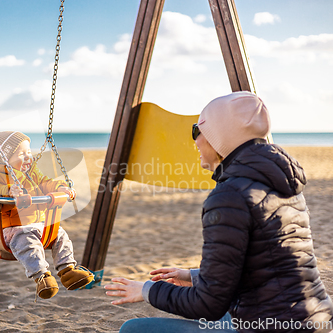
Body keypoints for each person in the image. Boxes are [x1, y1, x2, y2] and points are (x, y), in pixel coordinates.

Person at [105, 92, 333, 332]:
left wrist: (147, 290)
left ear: (219, 137)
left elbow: (207, 305)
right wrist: (195, 276)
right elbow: (273, 262)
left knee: (134, 329)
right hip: (314, 320)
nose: (195, 141)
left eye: (197, 130)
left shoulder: (230, 196)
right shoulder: (281, 182)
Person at [0, 131, 94, 300]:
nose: (28, 157)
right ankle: (41, 277)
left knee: (60, 235)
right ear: (4, 158)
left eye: (29, 153)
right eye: (21, 154)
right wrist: (8, 191)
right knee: (28, 244)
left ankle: (67, 270)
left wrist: (60, 187)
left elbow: (46, 183)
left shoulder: (32, 173)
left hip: (39, 224)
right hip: (13, 229)